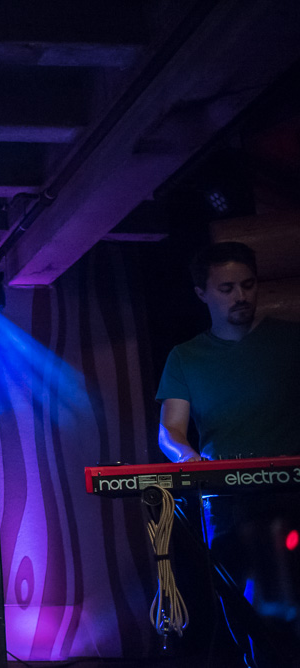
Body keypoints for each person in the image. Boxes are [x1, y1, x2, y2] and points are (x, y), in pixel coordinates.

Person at [156, 241, 300, 666]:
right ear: (202, 293)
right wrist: (188, 458)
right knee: (242, 602)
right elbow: (170, 430)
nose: (240, 296)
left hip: (292, 492)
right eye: (227, 288)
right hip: (229, 501)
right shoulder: (185, 358)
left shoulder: (290, 340)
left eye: (248, 285)